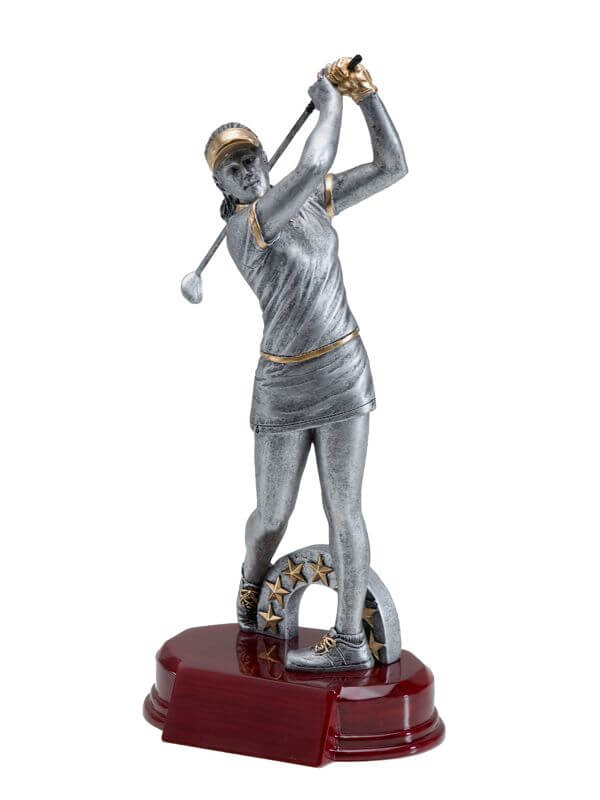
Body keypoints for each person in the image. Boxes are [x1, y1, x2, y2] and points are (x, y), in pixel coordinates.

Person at [205, 58, 407, 670]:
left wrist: (366, 95)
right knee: (272, 515)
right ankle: (251, 580)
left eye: (251, 157)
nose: (247, 170)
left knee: (344, 508)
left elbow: (392, 166)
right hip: (283, 385)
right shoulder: (248, 228)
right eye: (233, 168)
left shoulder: (311, 203)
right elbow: (314, 163)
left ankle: (347, 641)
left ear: (266, 158)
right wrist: (329, 104)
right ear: (224, 188)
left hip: (343, 370)